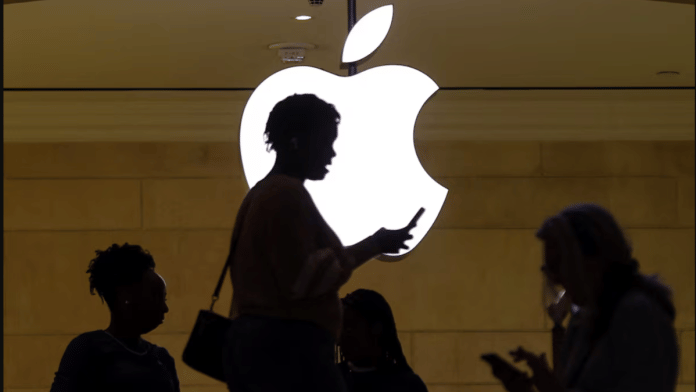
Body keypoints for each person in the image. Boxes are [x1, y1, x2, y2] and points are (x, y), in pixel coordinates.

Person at [222, 94, 419, 392]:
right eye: (325, 141)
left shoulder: (263, 194)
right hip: (290, 355)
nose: (331, 153)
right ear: (297, 141)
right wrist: (373, 245)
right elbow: (303, 278)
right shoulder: (285, 195)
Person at [484, 203, 679, 392]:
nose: (557, 280)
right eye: (550, 270)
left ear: (591, 260)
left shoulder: (638, 316)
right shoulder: (586, 319)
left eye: (559, 265)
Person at [50, 243, 179, 392]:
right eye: (156, 297)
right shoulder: (88, 349)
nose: (165, 308)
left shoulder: (162, 358)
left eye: (164, 299)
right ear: (125, 296)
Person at [338, 289, 428, 392]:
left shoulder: (407, 386)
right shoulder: (329, 381)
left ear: (377, 329)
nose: (343, 335)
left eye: (351, 326)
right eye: (341, 327)